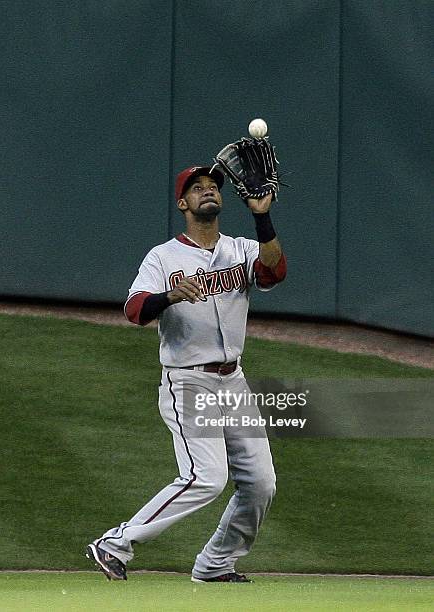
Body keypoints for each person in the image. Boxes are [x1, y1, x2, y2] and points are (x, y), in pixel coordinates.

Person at [86, 165, 287, 583]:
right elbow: (134, 310)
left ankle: (216, 563)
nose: (208, 191)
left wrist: (262, 217)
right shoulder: (163, 257)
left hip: (233, 381)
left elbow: (274, 272)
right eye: (198, 188)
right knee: (207, 478)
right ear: (183, 203)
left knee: (262, 483)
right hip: (188, 380)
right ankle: (114, 543)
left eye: (213, 186)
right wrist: (169, 294)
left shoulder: (241, 249)